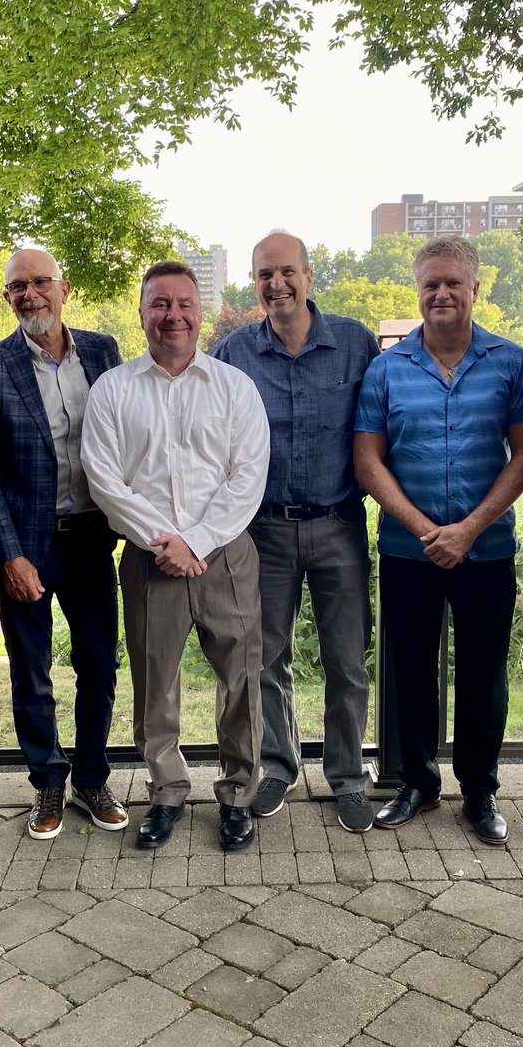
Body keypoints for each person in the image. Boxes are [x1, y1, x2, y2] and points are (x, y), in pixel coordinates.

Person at [81, 261, 269, 853]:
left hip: (226, 556)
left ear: (199, 312)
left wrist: (199, 540)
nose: (173, 315)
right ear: (141, 313)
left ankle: (238, 795)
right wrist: (166, 542)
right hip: (149, 559)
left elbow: (248, 475)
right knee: (154, 681)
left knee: (242, 678)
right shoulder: (113, 390)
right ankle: (166, 792)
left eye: (184, 304)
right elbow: (103, 478)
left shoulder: (234, 387)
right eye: (160, 304)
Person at [355, 237, 523, 844]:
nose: (441, 294)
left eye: (453, 283)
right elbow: (368, 461)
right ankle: (418, 783)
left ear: (475, 289)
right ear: (418, 291)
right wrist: (425, 529)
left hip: (486, 550)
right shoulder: (387, 369)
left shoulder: (510, 364)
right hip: (408, 552)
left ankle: (480, 790)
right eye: (430, 284)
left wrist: (469, 529)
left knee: (484, 674)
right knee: (409, 669)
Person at [212, 231, 380, 832]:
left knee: (347, 659)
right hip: (265, 530)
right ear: (254, 283)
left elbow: (384, 425)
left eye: (287, 272)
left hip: (339, 524)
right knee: (265, 659)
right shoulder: (233, 354)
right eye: (265, 274)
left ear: (309, 277)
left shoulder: (356, 344)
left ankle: (348, 777)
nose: (276, 284)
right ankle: (277, 767)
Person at [0, 249, 126, 841]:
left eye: (40, 282)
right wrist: (8, 555)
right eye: (18, 286)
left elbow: (127, 439)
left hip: (92, 539)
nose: (30, 294)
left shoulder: (104, 352)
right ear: (7, 297)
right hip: (26, 546)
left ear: (65, 288)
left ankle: (92, 778)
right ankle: (48, 783)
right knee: (31, 673)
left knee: (99, 665)